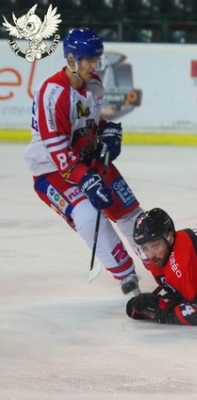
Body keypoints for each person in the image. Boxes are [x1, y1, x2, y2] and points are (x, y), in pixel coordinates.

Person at [23, 27, 142, 295]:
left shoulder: (94, 84)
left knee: (129, 211)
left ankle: (161, 265)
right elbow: (57, 147)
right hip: (52, 170)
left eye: (96, 59)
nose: (94, 65)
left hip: (86, 159)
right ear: (71, 59)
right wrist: (86, 179)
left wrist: (106, 130)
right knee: (88, 216)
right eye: (88, 60)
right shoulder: (52, 93)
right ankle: (126, 276)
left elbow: (87, 121)